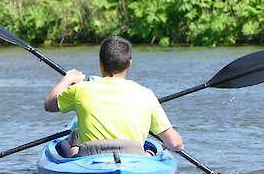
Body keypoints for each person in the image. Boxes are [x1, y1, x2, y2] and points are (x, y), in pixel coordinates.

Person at [44, 36, 183, 158]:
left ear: (100, 63)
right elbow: (175, 143)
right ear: (129, 64)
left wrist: (68, 78)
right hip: (134, 156)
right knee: (152, 147)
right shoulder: (146, 94)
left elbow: (49, 104)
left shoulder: (80, 90)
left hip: (91, 156)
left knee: (66, 143)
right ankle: (149, 154)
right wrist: (162, 147)